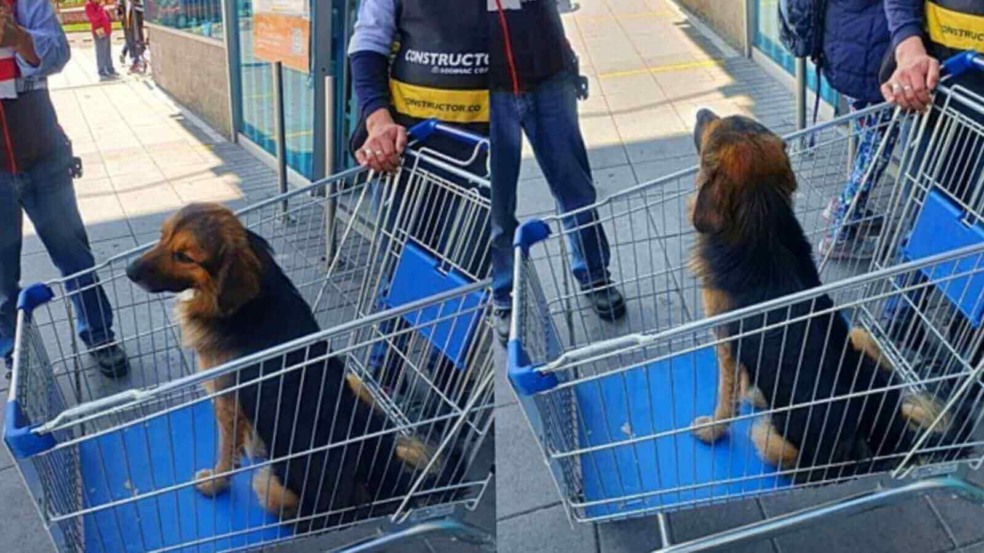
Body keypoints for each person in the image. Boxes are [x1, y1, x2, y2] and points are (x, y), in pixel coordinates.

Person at [0, 0, 128, 377]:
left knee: (75, 257)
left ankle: (100, 335)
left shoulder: (26, 3)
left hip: (43, 154)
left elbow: (58, 52)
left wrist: (19, 39)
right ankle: (14, 354)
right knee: (2, 276)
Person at [488, 0, 626, 344]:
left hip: (549, 74)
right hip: (486, 87)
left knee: (576, 189)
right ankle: (503, 293)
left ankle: (595, 274)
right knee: (497, 202)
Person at [878, 0, 984, 356]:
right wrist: (908, 46)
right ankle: (900, 321)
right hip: (941, 85)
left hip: (949, 84)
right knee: (928, 214)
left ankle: (964, 346)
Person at [813, 0, 900, 261]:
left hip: (844, 56)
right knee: (875, 153)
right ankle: (841, 232)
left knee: (868, 144)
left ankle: (848, 208)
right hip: (871, 66)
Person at [85, 0, 116, 79]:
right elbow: (95, 17)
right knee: (101, 52)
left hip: (106, 30)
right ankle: (102, 72)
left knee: (107, 52)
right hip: (99, 31)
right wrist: (100, 7)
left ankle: (110, 69)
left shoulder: (98, 4)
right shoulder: (89, 5)